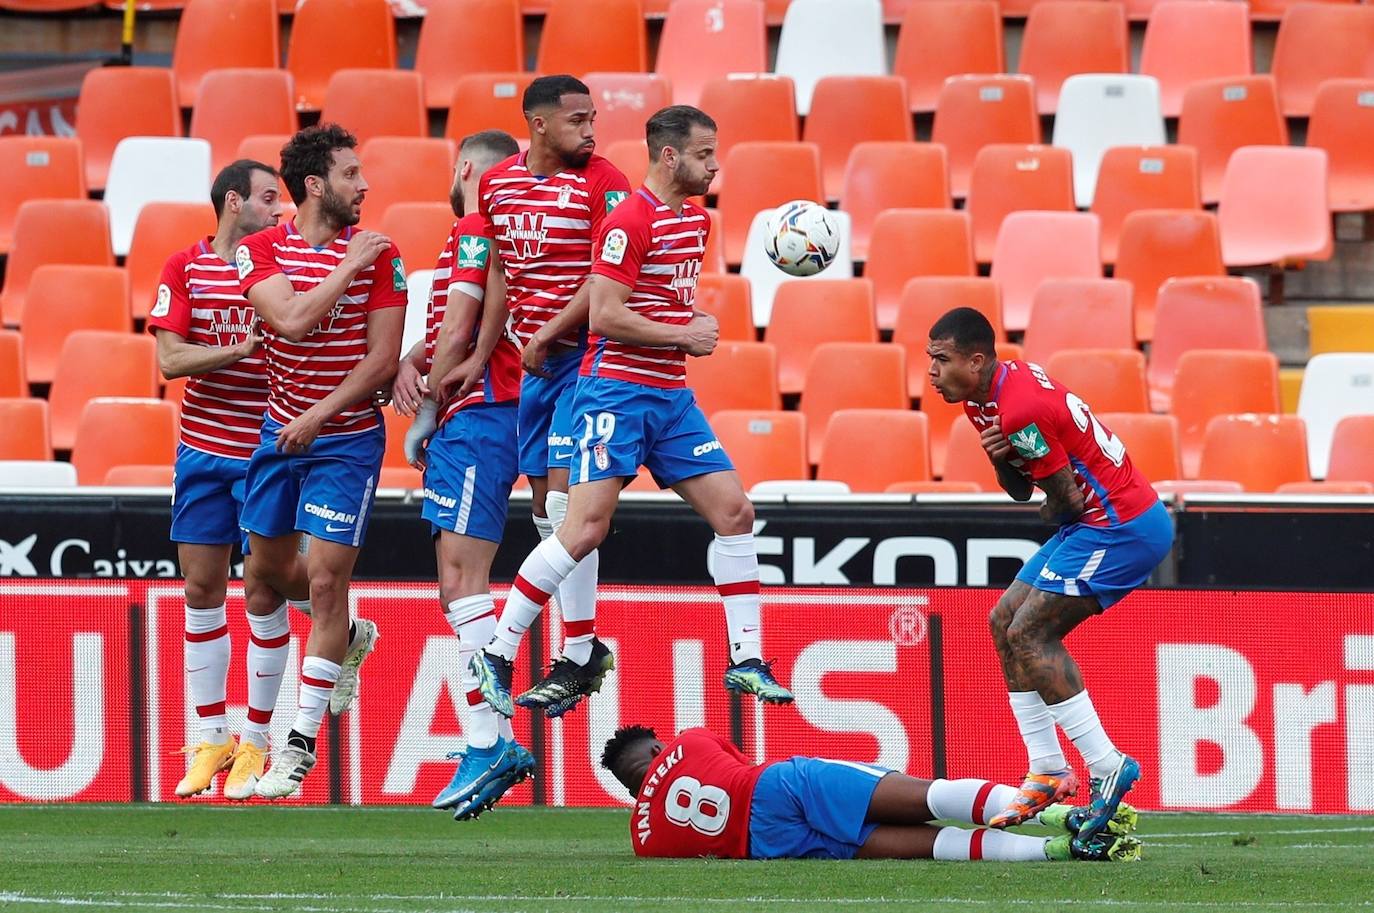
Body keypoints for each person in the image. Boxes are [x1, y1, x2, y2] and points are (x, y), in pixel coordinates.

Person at [472, 105, 793, 723]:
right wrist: (682, 335)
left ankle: (747, 656)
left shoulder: (693, 222)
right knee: (583, 527)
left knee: (736, 512)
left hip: (670, 399)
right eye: (704, 155)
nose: (713, 166)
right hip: (615, 393)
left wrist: (678, 340)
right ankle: (498, 649)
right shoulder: (628, 221)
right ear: (669, 156)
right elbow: (606, 314)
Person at [925, 307, 1173, 846]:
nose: (931, 372)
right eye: (930, 360)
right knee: (1003, 620)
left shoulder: (1017, 410)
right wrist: (1001, 462)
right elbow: (1021, 488)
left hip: (1119, 526)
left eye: (940, 360)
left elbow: (1063, 500)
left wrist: (1017, 464)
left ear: (976, 358)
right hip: (1094, 520)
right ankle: (1047, 770)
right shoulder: (983, 399)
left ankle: (1107, 766)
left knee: (1031, 633)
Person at [234, 124, 407, 798]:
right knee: (270, 573)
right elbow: (294, 320)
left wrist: (318, 415)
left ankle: (298, 743)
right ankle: (352, 635)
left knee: (328, 582)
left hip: (346, 438)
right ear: (314, 185)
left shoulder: (384, 255)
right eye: (350, 174)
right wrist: (346, 266)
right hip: (282, 434)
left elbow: (382, 361)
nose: (364, 185)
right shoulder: (258, 251)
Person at [464, 75, 631, 713]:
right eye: (579, 120)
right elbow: (503, 268)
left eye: (593, 118)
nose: (592, 131)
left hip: (588, 359)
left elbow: (607, 277)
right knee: (544, 511)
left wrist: (552, 332)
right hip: (534, 368)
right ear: (538, 125)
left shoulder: (605, 181)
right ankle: (584, 651)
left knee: (564, 506)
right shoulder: (497, 182)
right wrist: (484, 353)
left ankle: (576, 649)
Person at [389, 128, 535, 820]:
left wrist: (428, 401)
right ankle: (489, 733)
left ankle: (489, 737)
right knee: (455, 580)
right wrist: (416, 355)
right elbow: (458, 322)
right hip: (477, 410)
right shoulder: (487, 231)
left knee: (462, 580)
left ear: (466, 167)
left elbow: (463, 333)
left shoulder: (479, 224)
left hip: (482, 413)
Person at [149, 158, 305, 800]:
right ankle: (211, 737)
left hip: (266, 448)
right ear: (233, 200)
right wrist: (241, 350)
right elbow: (169, 358)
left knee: (264, 591)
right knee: (201, 588)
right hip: (201, 451)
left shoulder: (283, 263)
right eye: (270, 198)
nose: (281, 210)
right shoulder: (185, 266)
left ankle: (258, 742)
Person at [601, 725, 1141, 862]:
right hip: (781, 786)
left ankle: (1062, 850)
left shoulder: (643, 838)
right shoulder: (689, 742)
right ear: (654, 753)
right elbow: (739, 764)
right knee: (934, 797)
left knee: (933, 846)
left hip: (772, 844)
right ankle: (1064, 819)